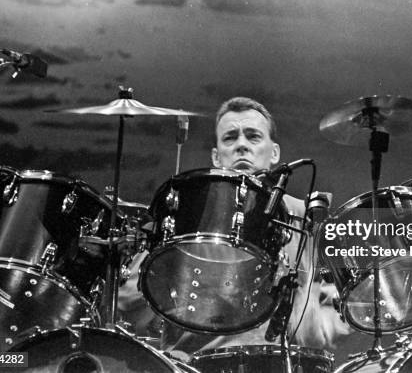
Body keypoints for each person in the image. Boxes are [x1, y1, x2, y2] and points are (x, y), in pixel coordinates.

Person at [118, 97, 351, 361]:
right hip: (195, 365)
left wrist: (314, 326)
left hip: (277, 364)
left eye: (253, 137)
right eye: (230, 138)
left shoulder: (304, 216)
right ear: (216, 157)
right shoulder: (187, 211)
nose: (241, 145)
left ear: (274, 153)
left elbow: (339, 307)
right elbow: (132, 303)